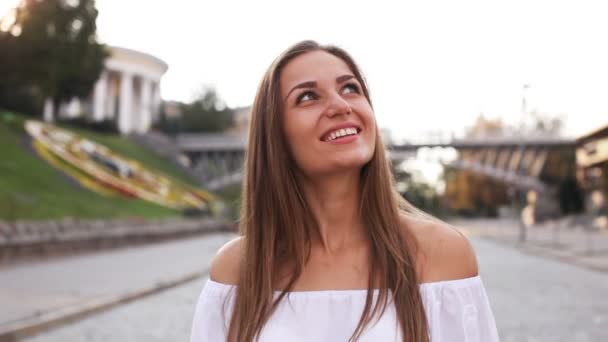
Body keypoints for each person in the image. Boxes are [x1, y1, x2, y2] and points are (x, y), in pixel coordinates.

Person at [190, 40, 500, 342]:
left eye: (350, 88)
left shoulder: (443, 254)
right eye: (308, 96)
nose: (340, 106)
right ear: (275, 136)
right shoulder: (238, 268)